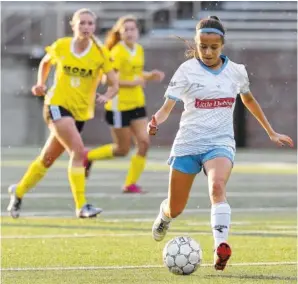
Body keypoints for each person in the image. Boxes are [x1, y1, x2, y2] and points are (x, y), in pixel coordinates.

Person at [147, 16, 294, 271]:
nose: (207, 52)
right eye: (203, 46)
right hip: (188, 143)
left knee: (216, 187)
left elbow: (249, 100)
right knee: (175, 207)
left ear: (222, 45)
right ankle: (164, 216)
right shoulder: (186, 71)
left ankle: (220, 247)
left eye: (213, 47)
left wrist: (270, 131)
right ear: (197, 43)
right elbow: (166, 108)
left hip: (220, 142)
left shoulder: (236, 71)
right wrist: (155, 121)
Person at [7, 8, 118, 219]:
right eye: (82, 23)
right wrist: (40, 83)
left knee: (47, 159)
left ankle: (18, 191)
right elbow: (46, 62)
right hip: (56, 105)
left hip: (80, 113)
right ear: (73, 25)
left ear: (94, 27)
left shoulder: (100, 53)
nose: (86, 27)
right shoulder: (62, 46)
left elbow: (114, 83)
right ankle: (82, 206)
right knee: (78, 151)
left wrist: (108, 95)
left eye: (90, 24)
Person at [84, 15, 165, 193]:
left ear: (137, 31)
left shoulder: (139, 49)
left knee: (144, 143)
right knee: (122, 149)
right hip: (118, 106)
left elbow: (134, 73)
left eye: (132, 29)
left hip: (137, 103)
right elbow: (110, 79)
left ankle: (130, 184)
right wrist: (135, 82)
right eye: (125, 30)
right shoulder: (117, 52)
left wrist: (149, 75)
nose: (129, 32)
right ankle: (88, 156)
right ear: (120, 34)